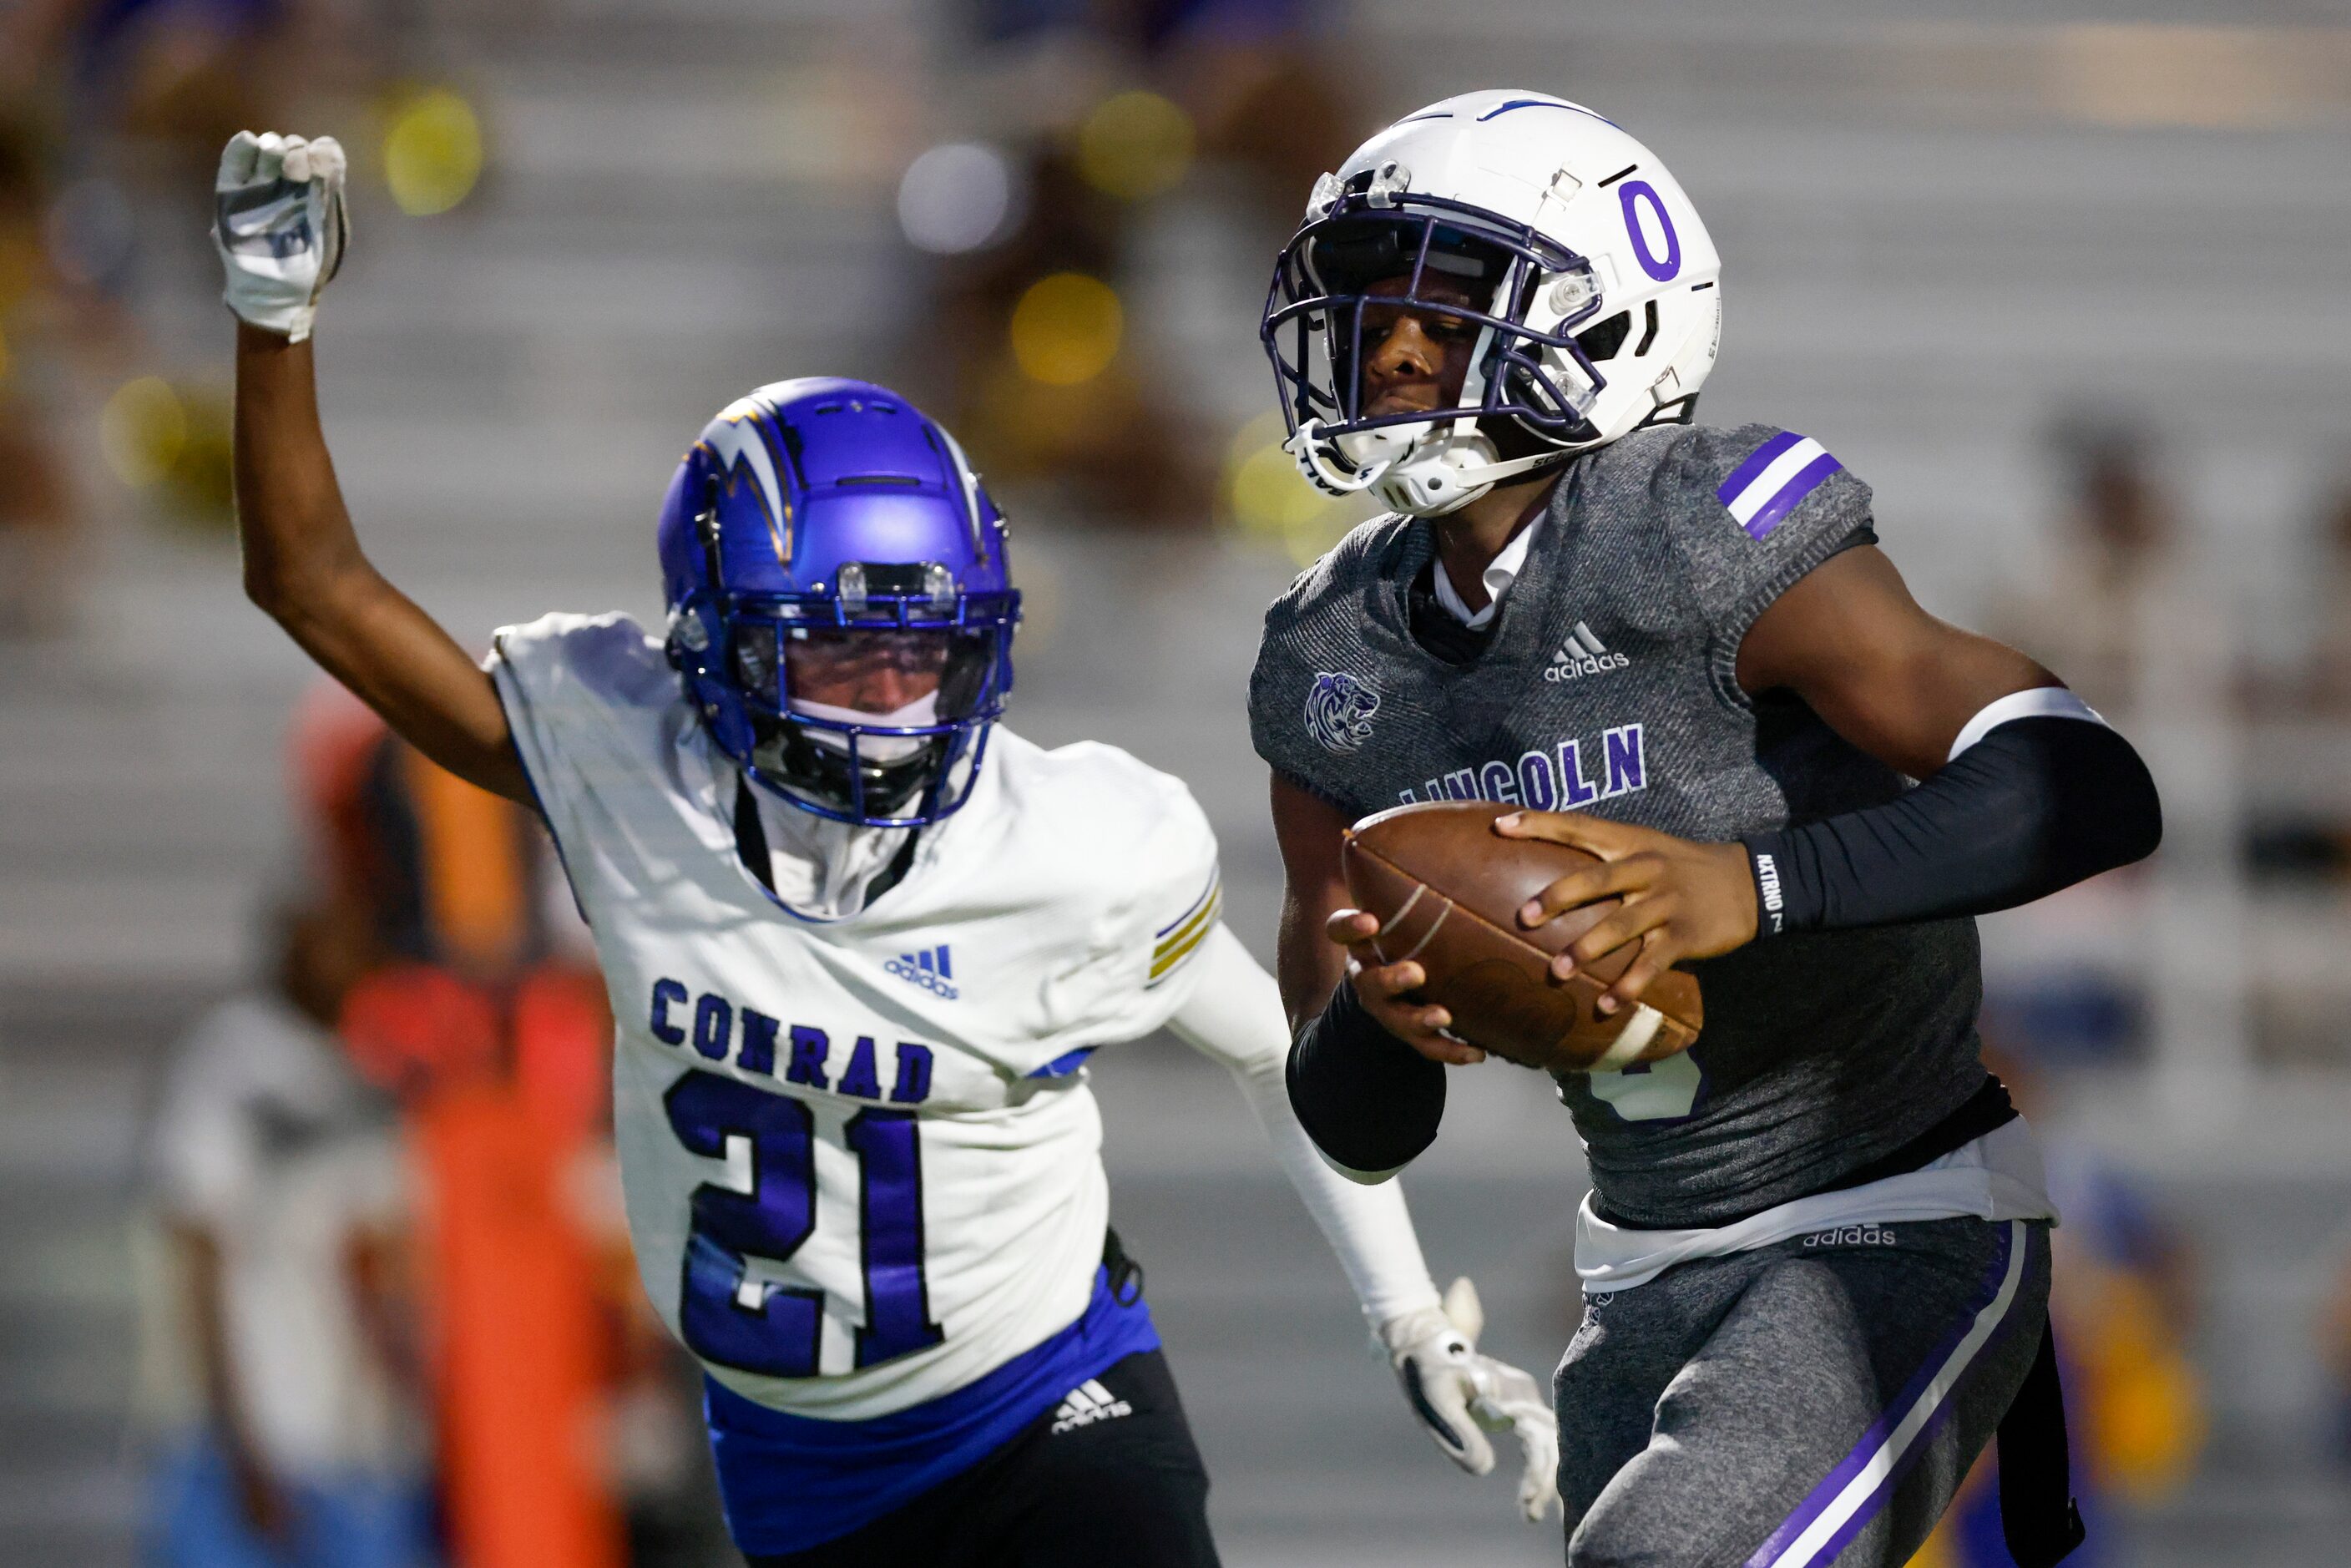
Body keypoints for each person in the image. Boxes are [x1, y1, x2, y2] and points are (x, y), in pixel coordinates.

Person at [214, 128, 1556, 1565]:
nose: (891, 702)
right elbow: (311, 581)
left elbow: (1265, 1051)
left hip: (1052, 1398)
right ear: (713, 651)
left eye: (922, 654)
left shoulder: (1076, 845)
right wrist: (273, 322)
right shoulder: (622, 759)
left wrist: (1406, 1309)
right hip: (795, 1460)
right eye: (840, 653)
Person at [1256, 92, 2164, 1567]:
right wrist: (1382, 1012)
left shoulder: (1700, 527)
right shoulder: (1334, 653)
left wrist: (1755, 885)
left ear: (1605, 320)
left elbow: (2086, 783)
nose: (1394, 346)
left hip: (1895, 1215)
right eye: (1367, 308)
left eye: (1449, 298)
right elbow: (1356, 1126)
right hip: (1639, 1268)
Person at [144, 895, 435, 1568]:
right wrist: (235, 1441)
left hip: (361, 1444)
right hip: (252, 1432)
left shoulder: (378, 1062)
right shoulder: (230, 1060)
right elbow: (200, 1254)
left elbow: (380, 1251)